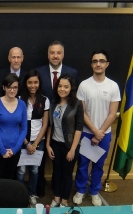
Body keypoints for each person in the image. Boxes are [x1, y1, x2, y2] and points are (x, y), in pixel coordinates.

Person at [73, 50, 120, 206]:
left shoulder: (113, 86)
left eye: (101, 61)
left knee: (99, 165)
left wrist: (100, 133)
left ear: (107, 64)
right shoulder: (84, 85)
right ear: (91, 64)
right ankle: (80, 190)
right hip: (86, 133)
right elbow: (82, 112)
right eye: (95, 61)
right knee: (83, 165)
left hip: (104, 135)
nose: (98, 64)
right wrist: (94, 131)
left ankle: (94, 191)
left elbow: (113, 114)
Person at [36, 40, 78, 197]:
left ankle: (58, 191)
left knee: (61, 166)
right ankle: (39, 187)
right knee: (41, 160)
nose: (55, 56)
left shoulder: (72, 73)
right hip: (42, 122)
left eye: (58, 53)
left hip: (64, 124)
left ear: (63, 55)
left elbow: (74, 100)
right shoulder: (39, 72)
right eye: (52, 53)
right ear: (48, 55)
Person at [46, 74, 83, 207]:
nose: (62, 89)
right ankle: (56, 198)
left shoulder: (77, 104)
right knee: (56, 172)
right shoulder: (53, 102)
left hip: (69, 146)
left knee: (67, 174)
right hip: (55, 144)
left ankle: (64, 200)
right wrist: (48, 145)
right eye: (60, 86)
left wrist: (73, 149)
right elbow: (50, 125)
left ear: (71, 88)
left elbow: (79, 128)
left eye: (66, 87)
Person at [0, 73, 27, 186]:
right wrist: (2, 150)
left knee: (9, 181)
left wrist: (15, 149)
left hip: (14, 151)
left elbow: (24, 128)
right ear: (4, 87)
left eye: (15, 87)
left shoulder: (22, 104)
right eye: (9, 87)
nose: (12, 90)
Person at [15, 69, 49, 207]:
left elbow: (45, 124)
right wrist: (27, 143)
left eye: (35, 82)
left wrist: (35, 144)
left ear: (39, 83)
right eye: (30, 82)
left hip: (38, 142)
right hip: (22, 141)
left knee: (35, 170)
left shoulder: (45, 100)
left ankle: (32, 195)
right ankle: (19, 195)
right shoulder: (19, 99)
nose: (33, 85)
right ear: (25, 83)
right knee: (21, 170)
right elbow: (18, 123)